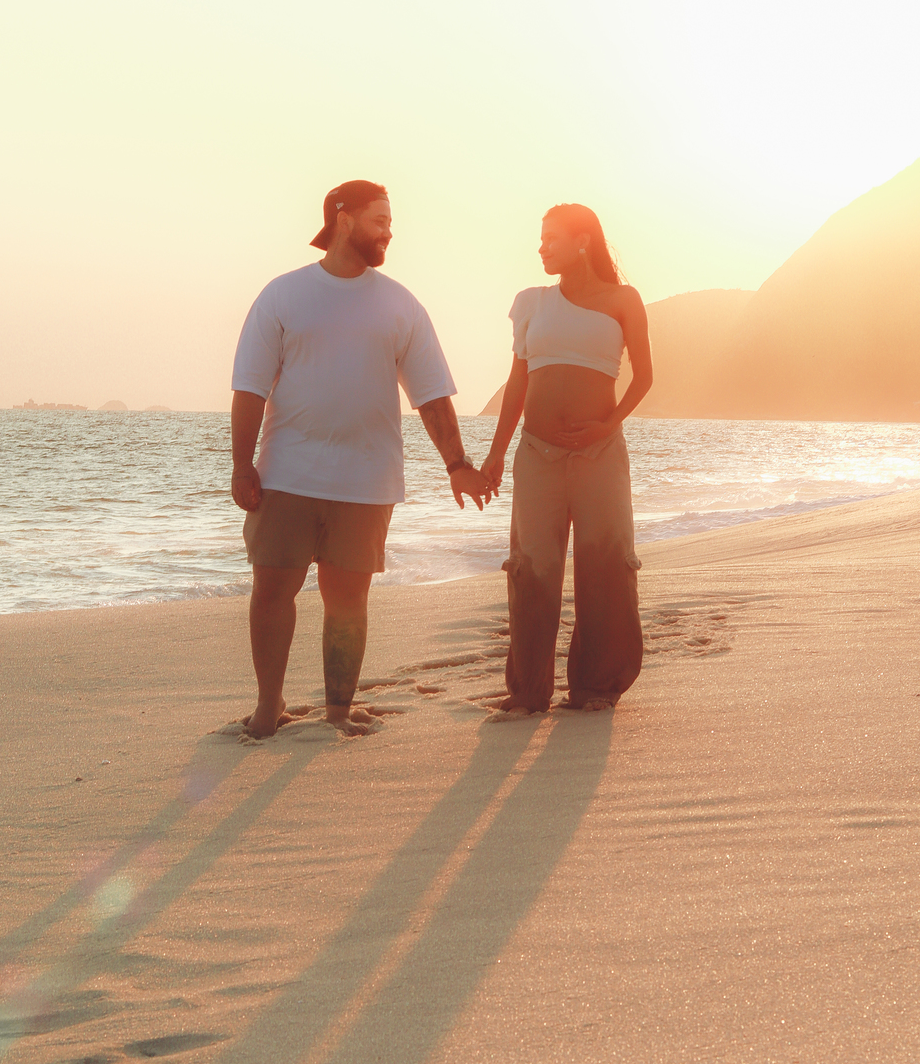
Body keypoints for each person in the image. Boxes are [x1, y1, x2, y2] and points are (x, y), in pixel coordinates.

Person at [230, 181, 491, 738]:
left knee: (347, 598)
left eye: (390, 222)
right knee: (273, 590)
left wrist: (457, 463)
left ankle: (338, 711)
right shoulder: (283, 295)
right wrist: (241, 464)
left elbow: (431, 395)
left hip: (368, 478)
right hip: (286, 473)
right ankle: (268, 706)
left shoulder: (400, 303)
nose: (389, 232)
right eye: (380, 220)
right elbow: (249, 388)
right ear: (343, 219)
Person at [480, 204, 653, 714]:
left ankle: (596, 685)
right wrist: (495, 455)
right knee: (531, 569)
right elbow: (517, 384)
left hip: (600, 453)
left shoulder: (624, 300)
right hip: (537, 452)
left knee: (606, 566)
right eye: (540, 238)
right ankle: (528, 691)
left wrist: (610, 422)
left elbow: (644, 376)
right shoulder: (531, 303)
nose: (541, 247)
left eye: (551, 238)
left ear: (583, 241)